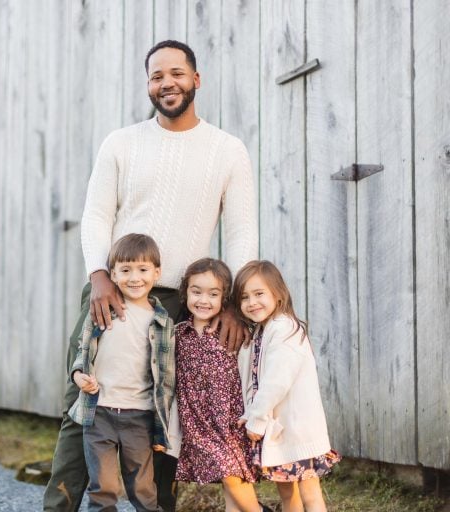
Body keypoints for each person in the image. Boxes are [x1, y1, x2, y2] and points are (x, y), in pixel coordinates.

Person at [43, 39, 259, 512]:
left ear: (196, 80)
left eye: (177, 73)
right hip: (113, 291)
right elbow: (97, 215)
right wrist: (98, 276)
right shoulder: (121, 142)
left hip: (181, 303)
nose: (168, 83)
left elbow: (242, 232)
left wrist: (232, 304)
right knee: (83, 404)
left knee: (165, 414)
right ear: (148, 84)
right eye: (157, 75)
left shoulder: (227, 150)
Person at [69, 233, 174, 511]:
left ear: (157, 273)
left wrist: (163, 426)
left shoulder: (162, 321)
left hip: (138, 416)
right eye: (125, 270)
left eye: (142, 269)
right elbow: (83, 352)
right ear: (113, 274)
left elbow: (167, 376)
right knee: (103, 487)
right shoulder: (103, 311)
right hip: (99, 412)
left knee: (142, 487)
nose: (134, 278)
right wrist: (79, 376)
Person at [234, 261, 341, 512]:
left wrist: (257, 420)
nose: (252, 302)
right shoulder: (262, 330)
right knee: (286, 492)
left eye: (259, 294)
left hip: (297, 430)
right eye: (244, 297)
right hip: (281, 433)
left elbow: (275, 382)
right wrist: (250, 413)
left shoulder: (284, 329)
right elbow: (255, 381)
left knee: (310, 494)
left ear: (278, 294)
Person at [172, 258, 268, 512]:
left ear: (224, 298)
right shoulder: (180, 333)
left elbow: (254, 369)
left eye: (213, 294)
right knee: (230, 476)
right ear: (185, 293)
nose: (204, 300)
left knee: (232, 475)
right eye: (196, 292)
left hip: (230, 417)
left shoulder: (234, 332)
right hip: (198, 420)